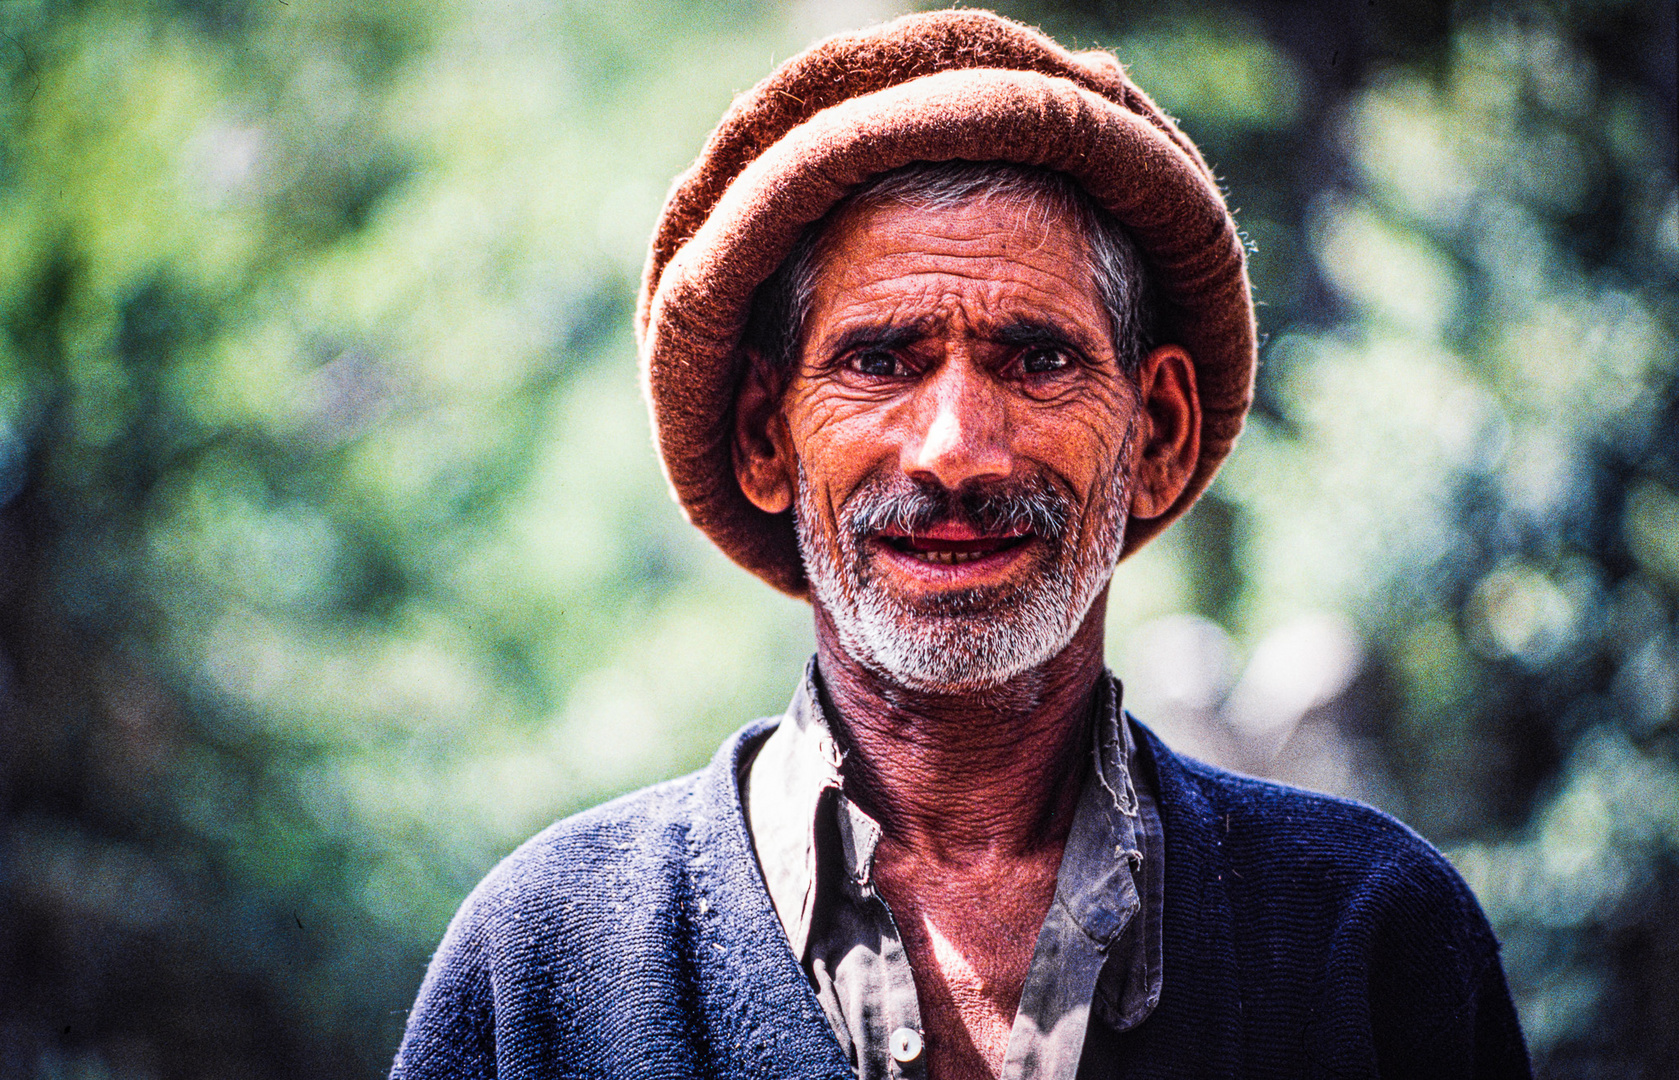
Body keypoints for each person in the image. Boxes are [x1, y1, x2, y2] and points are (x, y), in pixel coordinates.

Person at [391, 11, 1531, 1079]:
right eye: (879, 361)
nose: (954, 451)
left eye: (1036, 359)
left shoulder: (1371, 938)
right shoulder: (545, 962)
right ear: (762, 439)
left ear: (1158, 437)